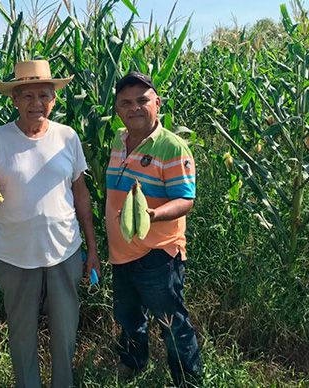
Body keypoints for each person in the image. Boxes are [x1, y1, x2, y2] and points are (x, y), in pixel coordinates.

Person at [0, 59, 100, 388]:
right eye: (27, 96)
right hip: (15, 256)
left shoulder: (68, 137)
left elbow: (81, 195)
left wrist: (92, 249)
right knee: (22, 334)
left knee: (65, 331)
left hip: (65, 251)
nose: (36, 103)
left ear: (54, 99)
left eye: (44, 95)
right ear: (14, 99)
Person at [105, 71, 203, 387]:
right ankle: (133, 364)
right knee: (129, 318)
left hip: (157, 253)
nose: (134, 108)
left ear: (157, 103)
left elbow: (185, 200)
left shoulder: (172, 147)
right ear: (118, 108)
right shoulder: (117, 141)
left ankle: (187, 380)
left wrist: (153, 214)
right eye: (126, 103)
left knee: (171, 322)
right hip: (120, 253)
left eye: (142, 100)